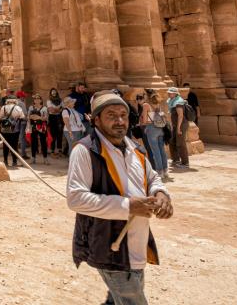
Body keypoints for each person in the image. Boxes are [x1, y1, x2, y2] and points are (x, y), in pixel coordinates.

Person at [67, 91, 172, 305]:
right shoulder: (85, 151)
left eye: (123, 115)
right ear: (96, 120)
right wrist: (127, 205)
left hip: (137, 240)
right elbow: (76, 198)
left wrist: (161, 194)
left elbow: (151, 178)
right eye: (112, 115)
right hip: (109, 245)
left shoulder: (137, 149)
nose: (120, 121)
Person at [140, 91, 170, 182]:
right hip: (160, 129)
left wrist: (141, 121)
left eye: (144, 94)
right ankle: (165, 171)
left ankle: (159, 172)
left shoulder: (146, 105)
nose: (143, 96)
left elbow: (145, 120)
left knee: (155, 151)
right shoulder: (157, 104)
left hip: (151, 129)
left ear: (147, 96)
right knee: (162, 151)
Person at [166, 87, 189, 171]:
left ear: (175, 93)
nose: (169, 94)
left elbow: (180, 116)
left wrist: (178, 128)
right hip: (175, 125)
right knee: (172, 141)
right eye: (168, 92)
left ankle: (185, 163)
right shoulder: (172, 101)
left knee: (180, 143)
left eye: (171, 93)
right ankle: (175, 160)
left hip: (181, 125)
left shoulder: (178, 102)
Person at [0, 93, 25, 167]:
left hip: (4, 129)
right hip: (15, 129)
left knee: (5, 145)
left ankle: (5, 161)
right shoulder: (18, 108)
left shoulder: (3, 107)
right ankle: (14, 161)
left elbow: (0, 117)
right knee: (14, 145)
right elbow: (22, 116)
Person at [28, 93, 49, 164]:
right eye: (35, 99)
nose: (36, 100)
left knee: (43, 142)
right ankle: (33, 158)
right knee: (33, 142)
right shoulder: (31, 107)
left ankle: (45, 158)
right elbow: (29, 116)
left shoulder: (44, 108)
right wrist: (37, 117)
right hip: (33, 126)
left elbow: (45, 118)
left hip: (42, 126)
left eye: (38, 99)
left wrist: (38, 117)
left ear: (41, 100)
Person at [47, 88, 65, 158]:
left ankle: (60, 150)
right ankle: (52, 151)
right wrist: (58, 109)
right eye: (52, 91)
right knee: (53, 134)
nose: (53, 93)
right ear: (50, 93)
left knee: (60, 134)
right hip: (52, 118)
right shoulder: (49, 101)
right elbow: (51, 110)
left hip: (59, 118)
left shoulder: (60, 100)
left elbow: (62, 108)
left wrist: (56, 110)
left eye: (55, 91)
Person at [16, 90, 29, 160]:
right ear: (21, 97)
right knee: (22, 138)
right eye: (23, 96)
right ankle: (23, 154)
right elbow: (25, 114)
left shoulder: (14, 103)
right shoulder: (22, 103)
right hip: (22, 122)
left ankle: (15, 152)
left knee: (16, 138)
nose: (24, 98)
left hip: (15, 123)